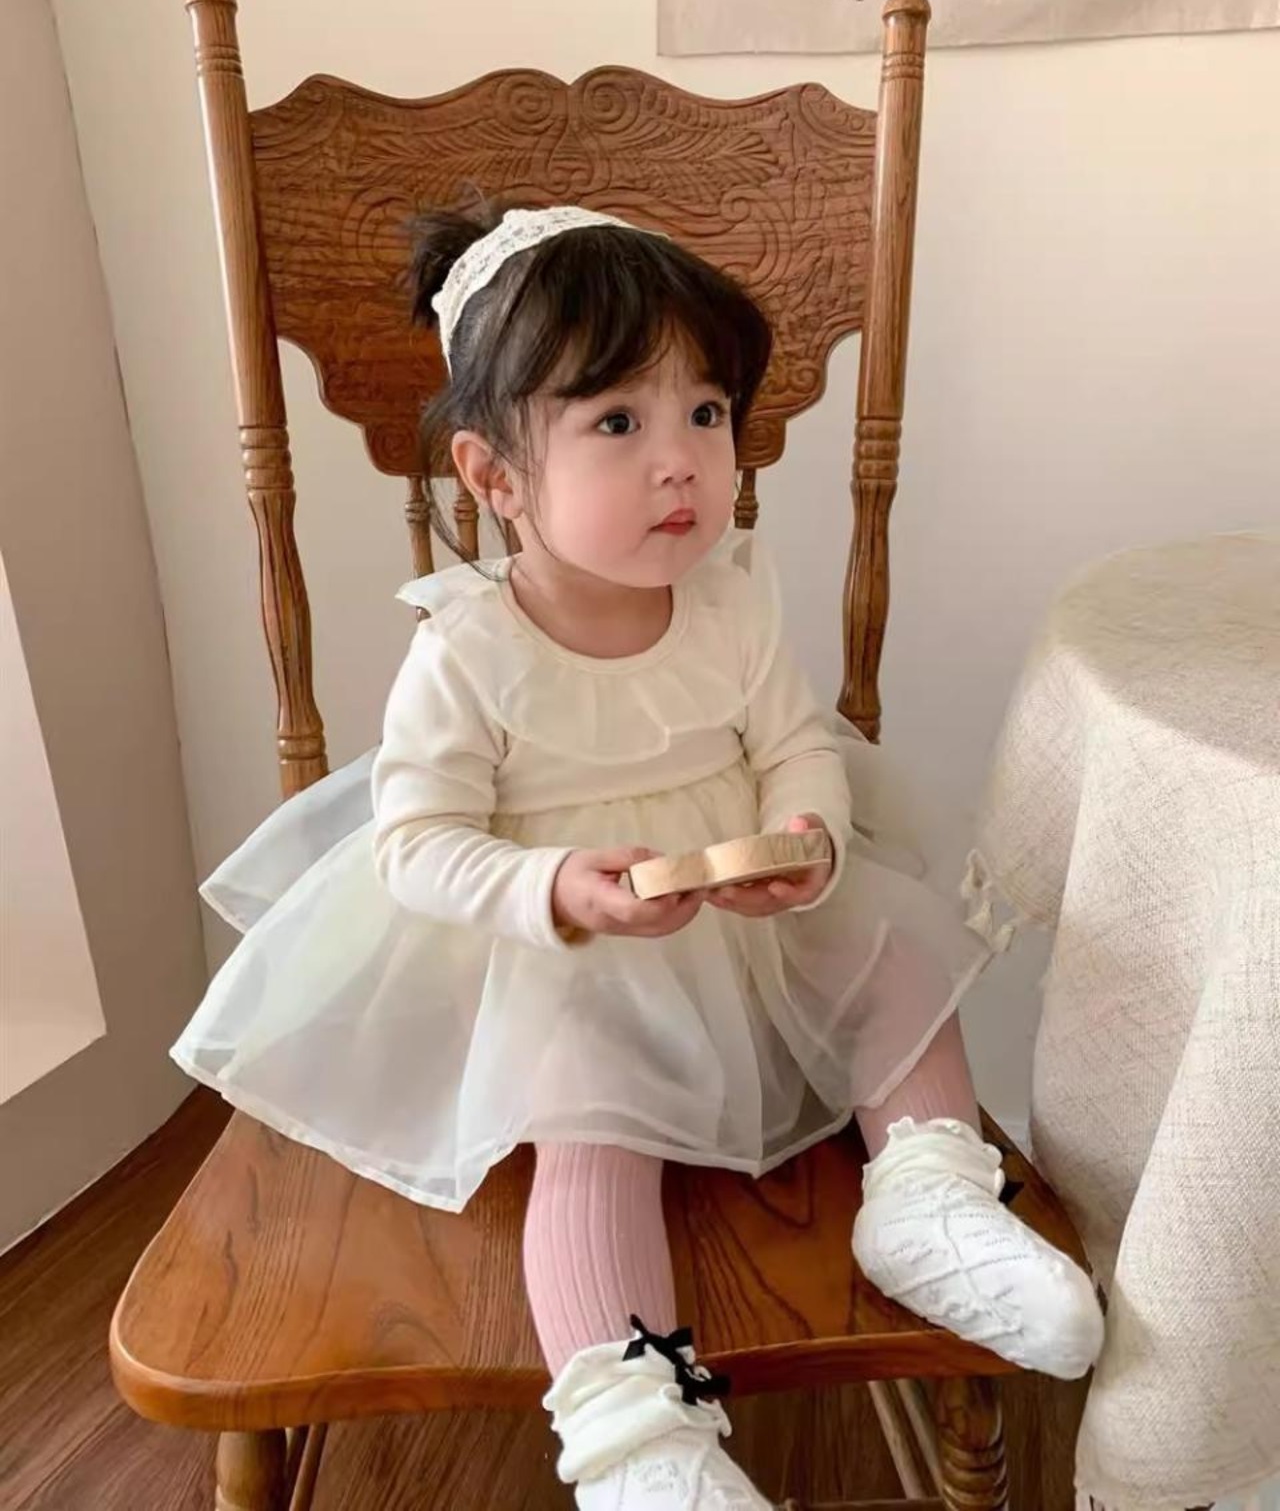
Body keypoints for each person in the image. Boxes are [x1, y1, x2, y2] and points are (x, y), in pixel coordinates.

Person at [175, 203, 1103, 1510]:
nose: (681, 463)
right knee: (593, 1117)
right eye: (618, 422)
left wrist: (806, 835)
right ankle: (634, 1429)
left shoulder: (729, 599)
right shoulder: (469, 650)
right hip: (559, 956)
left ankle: (931, 1198)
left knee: (899, 962)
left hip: (743, 922)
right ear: (496, 477)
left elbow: (797, 744)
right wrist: (551, 888)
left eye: (706, 413)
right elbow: (416, 844)